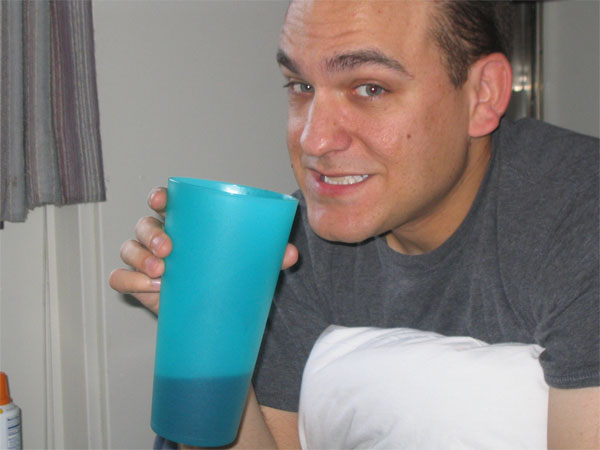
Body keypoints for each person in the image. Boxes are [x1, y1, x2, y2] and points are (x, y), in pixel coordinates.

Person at [109, 0, 600, 448]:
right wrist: (203, 324)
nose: (313, 140)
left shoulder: (580, 217)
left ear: (483, 95)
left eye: (370, 88)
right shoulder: (293, 246)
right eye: (301, 86)